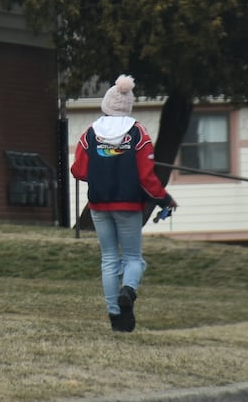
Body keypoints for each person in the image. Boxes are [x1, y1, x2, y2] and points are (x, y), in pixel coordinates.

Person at [70, 74, 176, 333]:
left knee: (109, 259)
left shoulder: (90, 132)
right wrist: (164, 198)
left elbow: (78, 170)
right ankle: (128, 291)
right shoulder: (138, 132)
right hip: (129, 205)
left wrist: (102, 167)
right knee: (133, 259)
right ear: (129, 105)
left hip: (98, 206)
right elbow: (146, 176)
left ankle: (115, 316)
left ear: (106, 104)